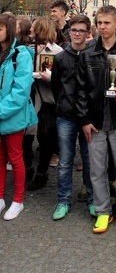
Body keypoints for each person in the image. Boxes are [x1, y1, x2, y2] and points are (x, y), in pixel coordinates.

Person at [76, 5, 116, 234]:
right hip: (94, 122)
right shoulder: (87, 54)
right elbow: (80, 90)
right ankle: (103, 211)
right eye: (99, 22)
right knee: (97, 170)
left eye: (106, 23)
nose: (102, 27)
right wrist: (83, 119)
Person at [51, 15, 95, 220]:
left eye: (81, 30)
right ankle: (63, 200)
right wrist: (63, 105)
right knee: (65, 161)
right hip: (66, 115)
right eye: (74, 30)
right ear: (69, 31)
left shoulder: (93, 55)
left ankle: (92, 200)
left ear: (88, 33)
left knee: (89, 160)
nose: (77, 34)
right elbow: (56, 86)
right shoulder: (60, 57)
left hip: (88, 117)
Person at [0, 13, 37, 220]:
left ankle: (18, 200)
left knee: (15, 157)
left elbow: (21, 91)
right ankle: (0, 198)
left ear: (10, 30)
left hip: (12, 115)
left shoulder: (20, 55)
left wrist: (1, 110)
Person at [27, 18, 63, 191]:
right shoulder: (27, 50)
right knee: (27, 137)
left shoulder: (57, 51)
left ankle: (42, 173)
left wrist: (50, 78)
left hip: (48, 101)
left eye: (34, 29)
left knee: (45, 137)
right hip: (30, 100)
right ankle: (28, 170)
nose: (31, 32)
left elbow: (63, 81)